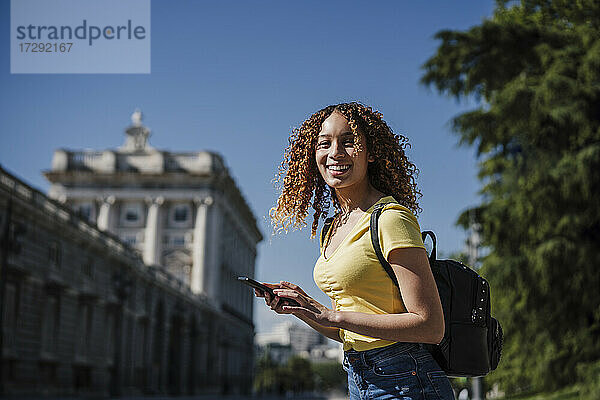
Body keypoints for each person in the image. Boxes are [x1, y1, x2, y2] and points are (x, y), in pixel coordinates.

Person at [257, 102, 456, 400]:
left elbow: (429, 326)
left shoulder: (390, 218)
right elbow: (349, 331)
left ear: (371, 152)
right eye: (325, 144)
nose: (335, 152)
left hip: (406, 379)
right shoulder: (331, 228)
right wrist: (307, 309)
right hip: (358, 375)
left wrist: (335, 316)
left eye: (349, 142)